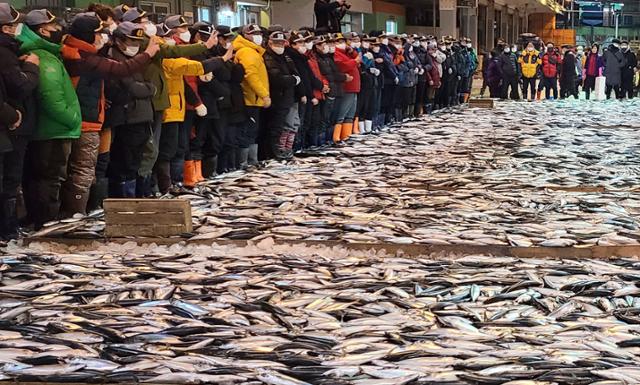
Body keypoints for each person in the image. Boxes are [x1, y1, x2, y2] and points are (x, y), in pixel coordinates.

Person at [60, 12, 158, 216]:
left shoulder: (83, 52)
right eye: (97, 33)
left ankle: (90, 208)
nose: (101, 36)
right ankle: (77, 214)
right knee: (84, 170)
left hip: (94, 120)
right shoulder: (81, 56)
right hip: (85, 120)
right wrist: (148, 53)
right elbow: (121, 70)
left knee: (94, 166)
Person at [136, 20, 216, 197]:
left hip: (174, 107)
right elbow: (181, 63)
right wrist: (216, 59)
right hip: (167, 109)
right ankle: (158, 187)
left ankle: (172, 183)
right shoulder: (156, 50)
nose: (169, 38)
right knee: (161, 150)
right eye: (167, 35)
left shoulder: (157, 49)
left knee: (174, 148)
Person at [18, 10, 80, 231]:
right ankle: (47, 225)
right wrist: (73, 119)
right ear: (43, 30)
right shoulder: (44, 57)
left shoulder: (43, 53)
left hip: (45, 128)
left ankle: (39, 220)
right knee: (50, 179)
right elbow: (51, 97)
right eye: (54, 27)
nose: (58, 31)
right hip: (54, 129)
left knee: (39, 178)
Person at [0, 3, 40, 239]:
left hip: (10, 125)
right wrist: (31, 68)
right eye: (15, 25)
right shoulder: (5, 54)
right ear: (6, 28)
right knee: (9, 178)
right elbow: (20, 85)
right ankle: (7, 228)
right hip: (10, 125)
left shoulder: (9, 51)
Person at [105, 22, 157, 197]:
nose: (134, 45)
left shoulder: (132, 60)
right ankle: (125, 200)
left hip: (142, 116)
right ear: (118, 40)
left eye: (137, 41)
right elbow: (133, 88)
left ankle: (137, 196)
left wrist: (145, 88)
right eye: (131, 41)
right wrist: (149, 89)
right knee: (125, 163)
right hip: (128, 118)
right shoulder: (115, 58)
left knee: (138, 160)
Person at [233, 24, 270, 168]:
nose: (258, 36)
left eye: (259, 33)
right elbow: (251, 75)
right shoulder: (247, 52)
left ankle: (252, 161)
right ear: (245, 35)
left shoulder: (254, 51)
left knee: (252, 131)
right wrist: (264, 94)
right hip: (250, 99)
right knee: (247, 131)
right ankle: (244, 163)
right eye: (254, 33)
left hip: (254, 99)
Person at [263, 31, 301, 160]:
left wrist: (293, 79)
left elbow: (296, 73)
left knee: (288, 125)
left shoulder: (286, 57)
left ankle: (283, 150)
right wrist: (293, 79)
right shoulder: (268, 57)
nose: (279, 45)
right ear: (270, 42)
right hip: (276, 98)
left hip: (287, 97)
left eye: (281, 42)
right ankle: (273, 153)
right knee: (275, 127)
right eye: (276, 43)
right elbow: (277, 79)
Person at [288, 31, 322, 151]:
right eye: (299, 43)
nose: (303, 45)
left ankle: (302, 145)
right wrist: (305, 94)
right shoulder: (293, 58)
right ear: (292, 45)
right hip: (300, 95)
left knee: (305, 122)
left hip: (308, 94)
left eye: (303, 42)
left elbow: (310, 77)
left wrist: (320, 86)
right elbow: (300, 79)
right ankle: (296, 147)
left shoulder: (303, 58)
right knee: (298, 123)